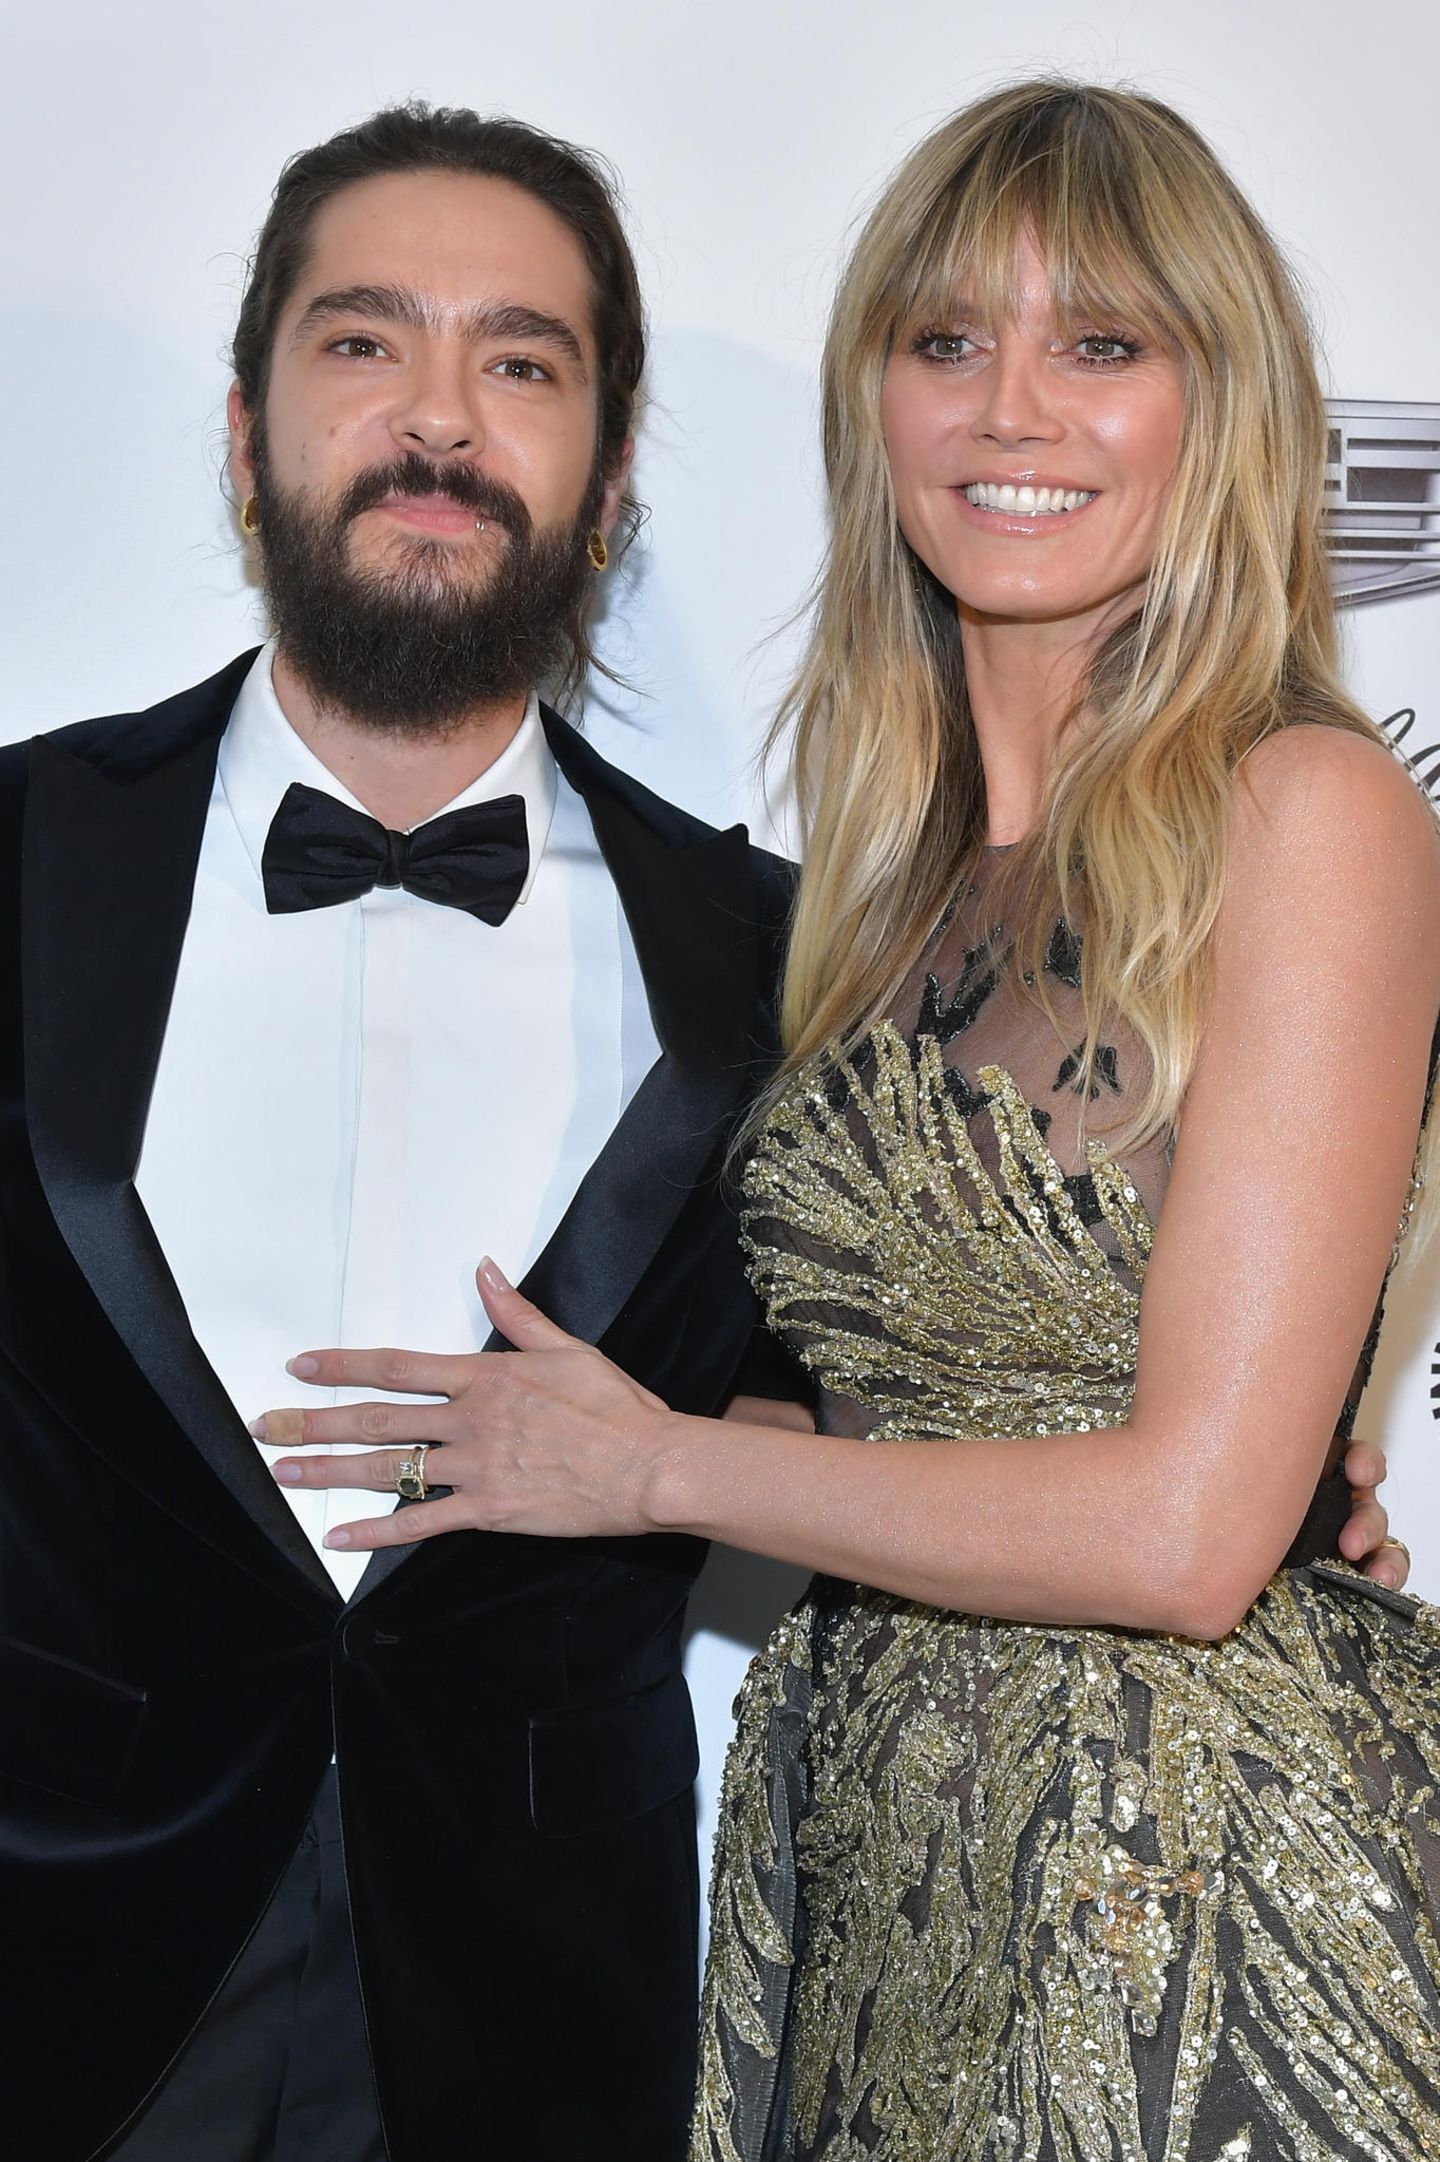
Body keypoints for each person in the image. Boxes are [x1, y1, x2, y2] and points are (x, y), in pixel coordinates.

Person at [255, 82, 1439, 2158]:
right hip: (892, 1867)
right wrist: (555, 1427)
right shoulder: (884, 904)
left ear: (1222, 407)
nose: (1011, 408)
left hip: (1196, 1892)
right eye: (947, 338)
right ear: (872, 403)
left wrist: (653, 1466)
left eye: (1101, 342)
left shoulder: (1304, 807)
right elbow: (918, 1424)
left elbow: (1188, 1536)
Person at [0, 103, 803, 2162]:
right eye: (365, 342)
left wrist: (1249, 1479)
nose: (438, 417)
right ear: (245, 431)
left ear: (606, 483)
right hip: (57, 1964)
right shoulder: (19, 854)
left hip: (541, 2001)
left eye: (519, 361)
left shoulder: (776, 960)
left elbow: (892, 1399)